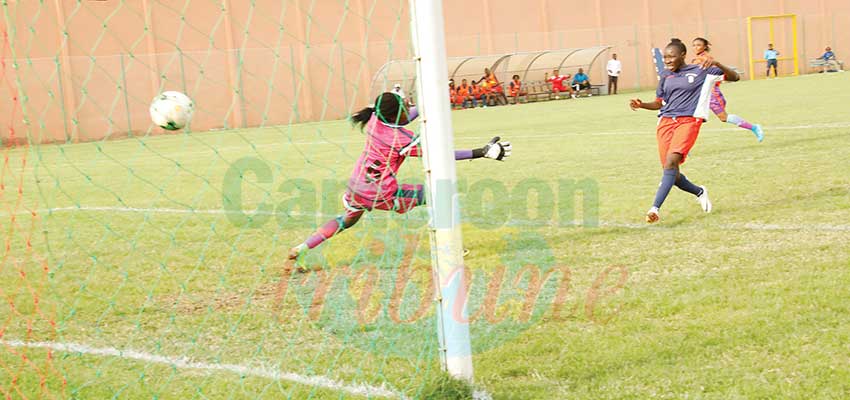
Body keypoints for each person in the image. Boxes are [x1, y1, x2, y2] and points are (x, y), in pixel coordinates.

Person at [287, 92, 512, 261]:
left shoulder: (375, 119)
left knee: (347, 220)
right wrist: (480, 153)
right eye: (406, 105)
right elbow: (440, 156)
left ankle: (302, 247)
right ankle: (449, 251)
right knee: (436, 195)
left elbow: (403, 117)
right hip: (380, 192)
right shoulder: (401, 139)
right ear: (397, 113)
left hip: (357, 185)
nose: (409, 107)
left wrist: (426, 104)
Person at [630, 38, 740, 224]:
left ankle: (654, 208)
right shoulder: (666, 76)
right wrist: (641, 105)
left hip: (689, 121)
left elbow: (735, 77)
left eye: (671, 57)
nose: (667, 60)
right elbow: (659, 103)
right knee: (671, 172)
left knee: (672, 162)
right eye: (665, 57)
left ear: (682, 55)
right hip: (665, 123)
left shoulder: (702, 71)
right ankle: (699, 191)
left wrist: (717, 63)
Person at [692, 37, 764, 142]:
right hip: (701, 93)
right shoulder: (698, 58)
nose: (695, 47)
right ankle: (684, 146)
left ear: (705, 47)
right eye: (693, 45)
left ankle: (754, 127)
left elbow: (715, 73)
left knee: (723, 117)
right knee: (692, 117)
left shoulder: (705, 59)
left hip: (711, 93)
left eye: (698, 45)